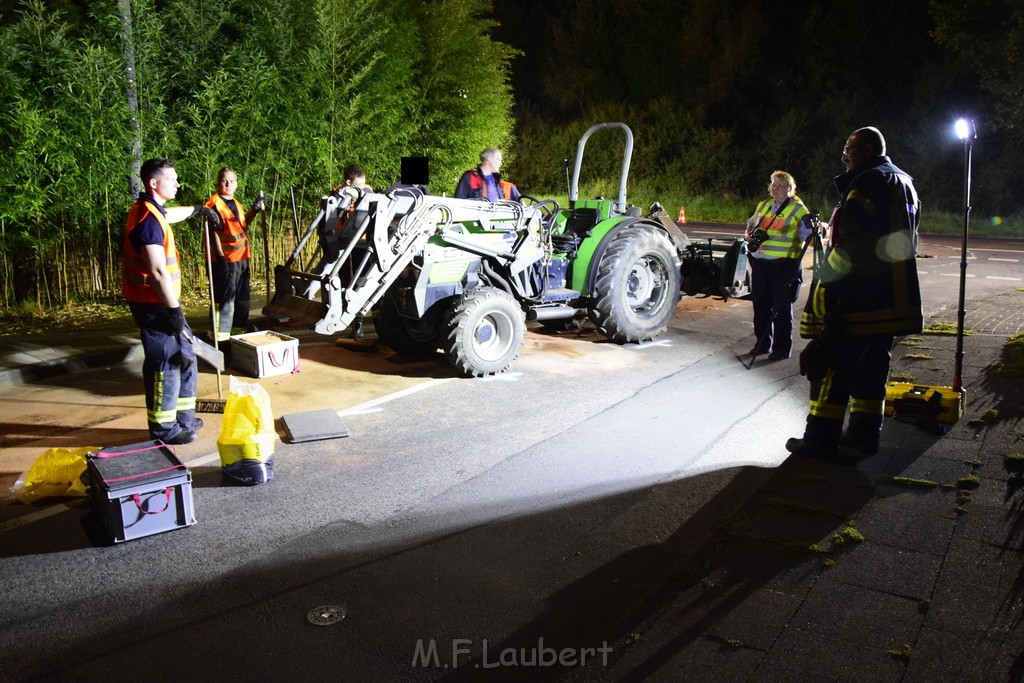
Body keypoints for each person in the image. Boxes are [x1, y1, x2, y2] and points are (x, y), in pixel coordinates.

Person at [787, 127, 922, 460]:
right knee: (873, 369)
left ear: (866, 148)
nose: (843, 156)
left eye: (848, 148)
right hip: (892, 301)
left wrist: (827, 283)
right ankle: (863, 437)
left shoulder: (865, 183)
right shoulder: (905, 182)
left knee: (829, 366)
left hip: (860, 298)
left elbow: (853, 246)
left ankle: (819, 441)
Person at [122, 158, 221, 445]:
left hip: (161, 303)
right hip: (155, 305)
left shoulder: (150, 210)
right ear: (154, 183)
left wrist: (198, 210)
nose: (178, 184)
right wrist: (174, 310)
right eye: (173, 179)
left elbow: (168, 215)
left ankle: (184, 418)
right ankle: (165, 429)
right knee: (165, 362)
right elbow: (156, 270)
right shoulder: (148, 221)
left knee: (186, 355)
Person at [744, 170, 811, 360]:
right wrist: (748, 233)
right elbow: (750, 225)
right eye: (773, 185)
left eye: (780, 186)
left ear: (790, 189)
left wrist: (817, 232)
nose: (775, 189)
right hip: (760, 264)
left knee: (781, 310)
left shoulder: (798, 210)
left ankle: (781, 350)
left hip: (783, 266)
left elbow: (808, 237)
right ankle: (762, 344)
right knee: (761, 308)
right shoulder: (763, 205)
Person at [205, 167, 265, 342]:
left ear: (236, 183)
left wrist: (254, 210)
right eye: (224, 180)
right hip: (225, 260)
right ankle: (221, 339)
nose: (228, 184)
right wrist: (221, 258)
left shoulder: (235, 203)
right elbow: (213, 233)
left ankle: (238, 334)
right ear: (218, 182)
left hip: (241, 257)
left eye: (231, 181)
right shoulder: (214, 205)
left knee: (242, 299)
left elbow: (241, 227)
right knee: (225, 300)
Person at [454, 147, 521, 201]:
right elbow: (458, 202)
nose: (501, 163)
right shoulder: (470, 176)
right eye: (498, 159)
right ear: (489, 159)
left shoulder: (496, 179)